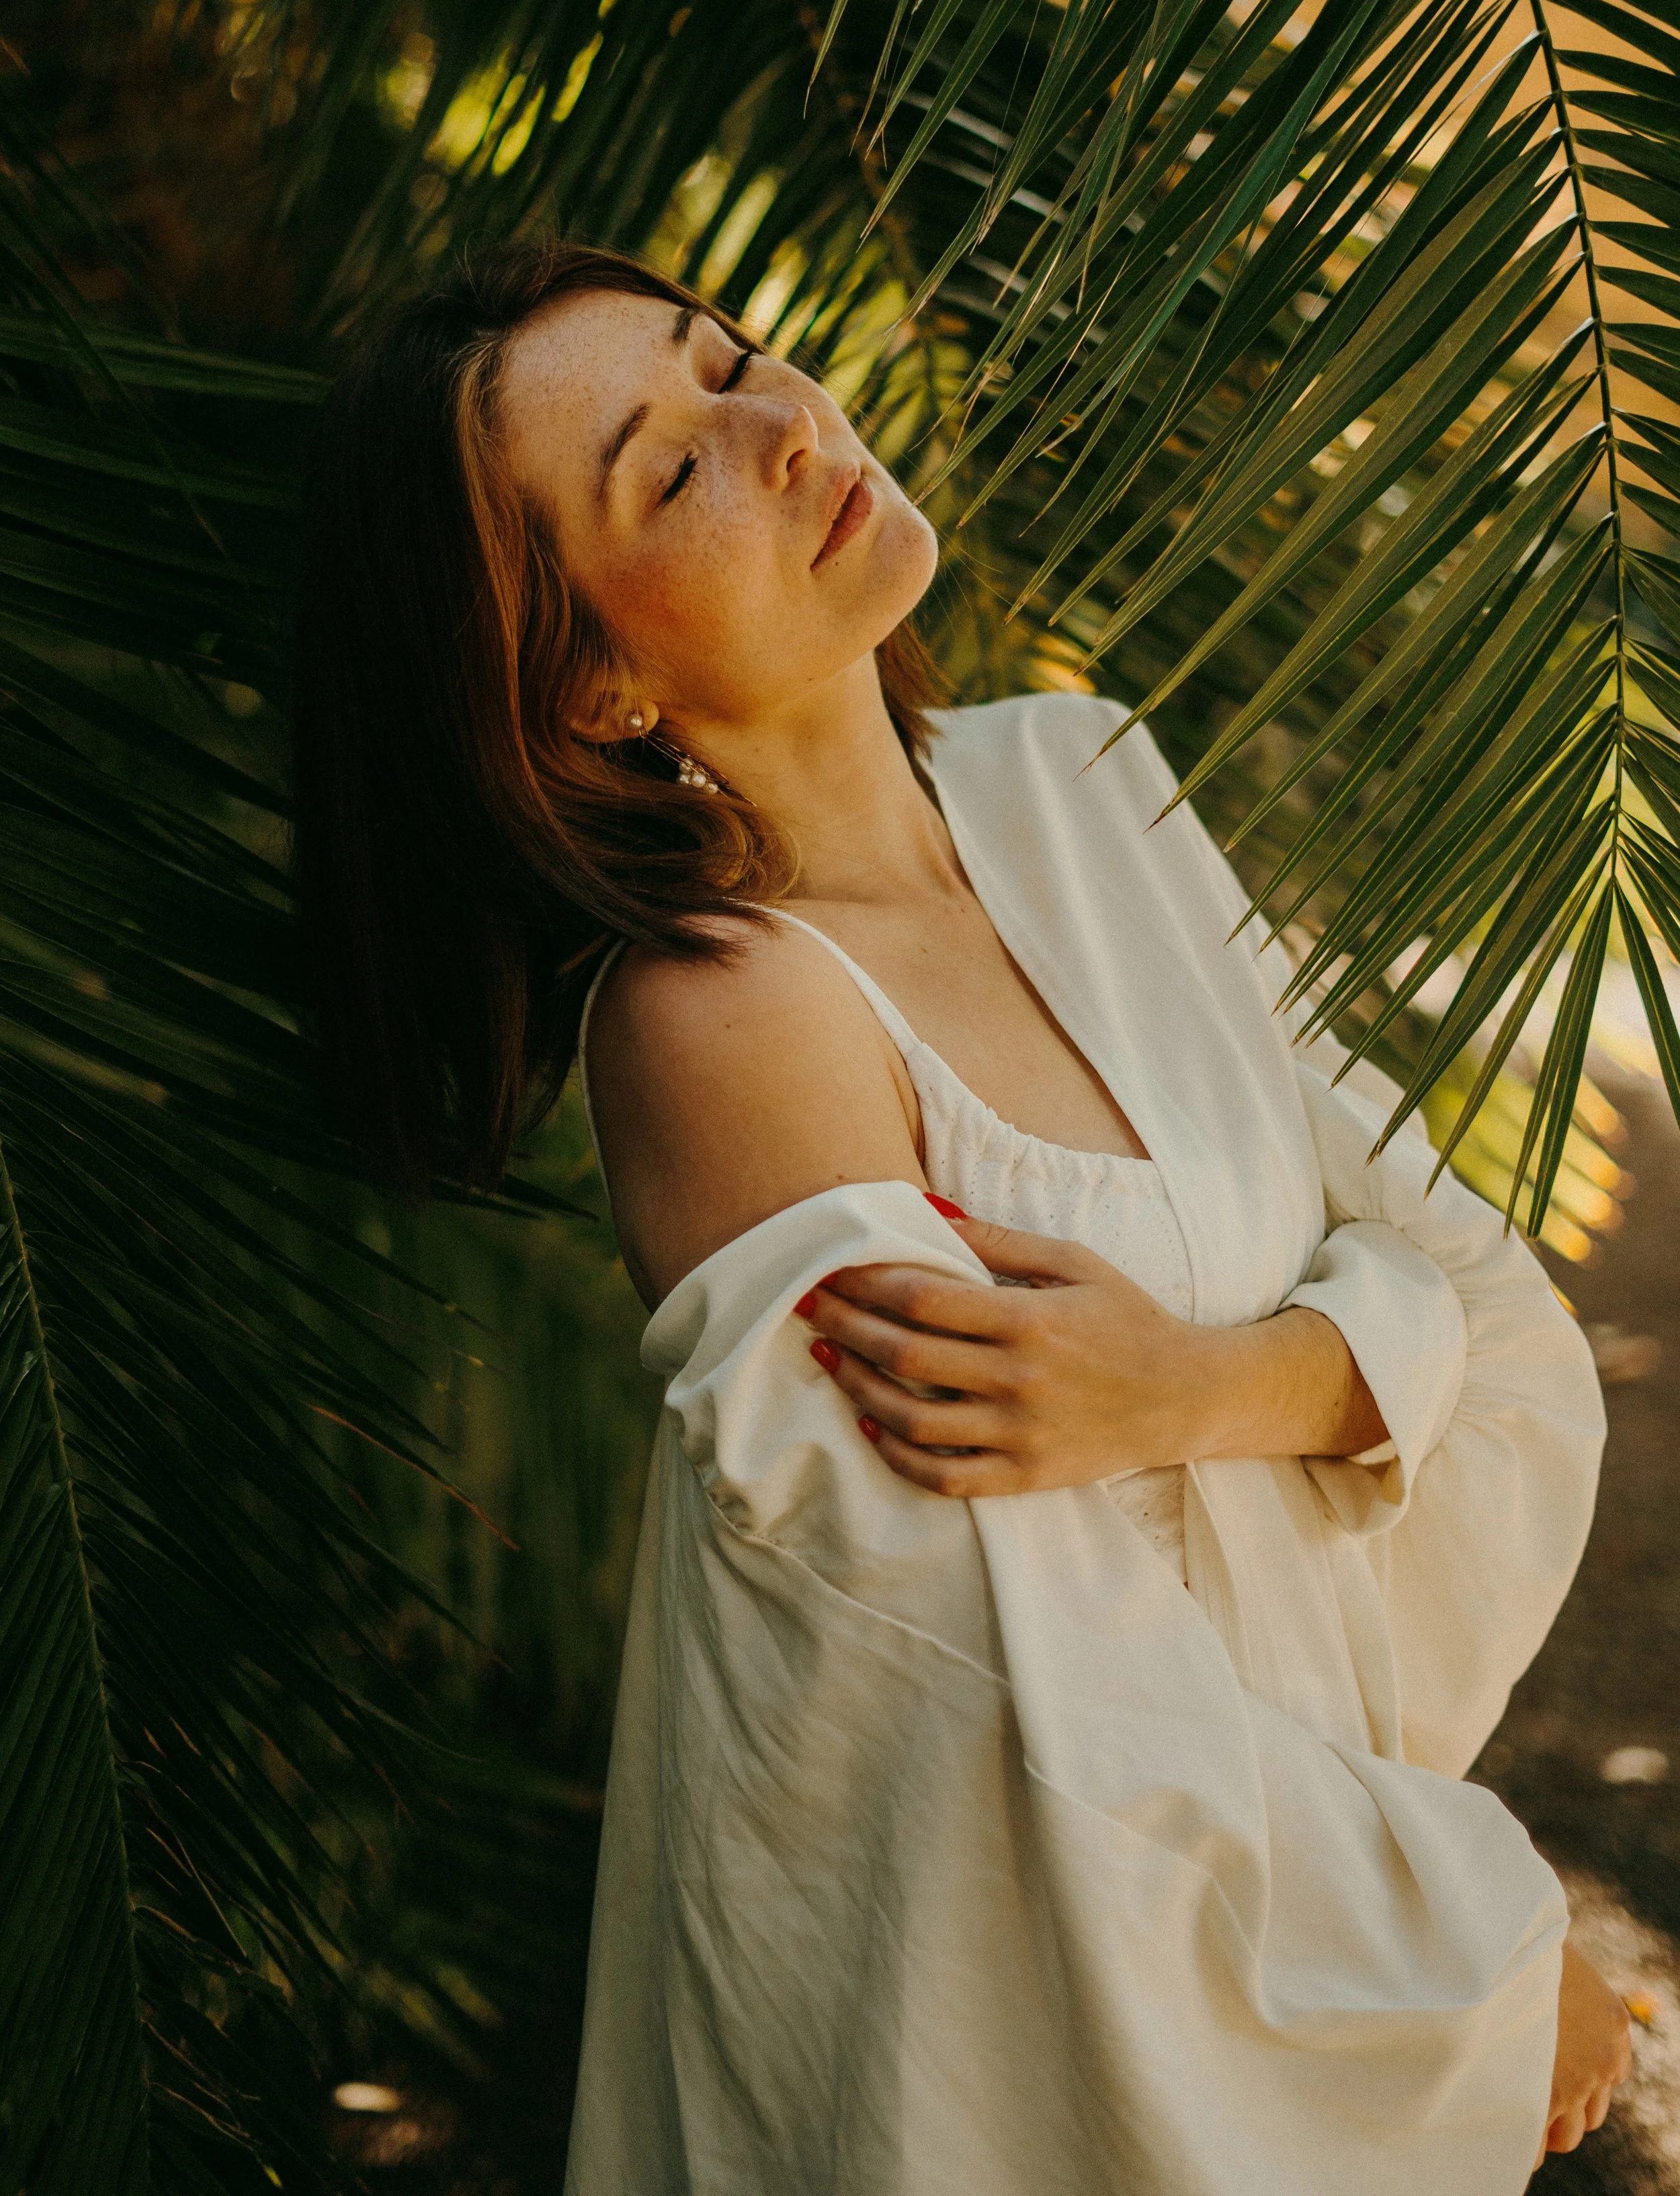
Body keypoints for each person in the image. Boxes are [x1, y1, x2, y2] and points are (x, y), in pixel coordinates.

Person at [295, 241, 1630, 2194]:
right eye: (667, 472)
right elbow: (986, 1701)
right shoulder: (722, 1012)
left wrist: (1194, 1387)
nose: (779, 424)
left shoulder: (1076, 786)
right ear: (589, 688)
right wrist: (1481, 1958)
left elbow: (1482, 1303)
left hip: (1321, 1902)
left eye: (733, 354)